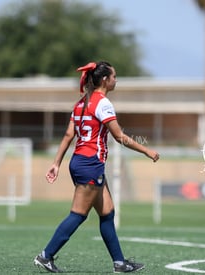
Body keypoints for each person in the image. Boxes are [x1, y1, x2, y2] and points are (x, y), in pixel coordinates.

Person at [34, 61, 160, 273]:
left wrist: (56, 163)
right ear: (105, 80)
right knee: (78, 214)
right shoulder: (103, 104)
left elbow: (68, 135)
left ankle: (119, 263)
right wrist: (147, 151)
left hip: (79, 162)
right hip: (90, 164)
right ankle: (46, 256)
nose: (116, 80)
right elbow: (119, 136)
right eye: (114, 76)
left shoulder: (81, 103)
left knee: (107, 212)